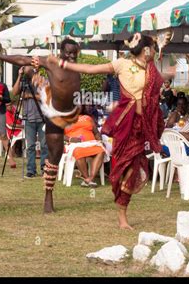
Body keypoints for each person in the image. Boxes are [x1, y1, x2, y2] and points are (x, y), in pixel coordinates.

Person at [61, 33, 166, 229]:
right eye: (151, 48)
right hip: (124, 125)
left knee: (135, 169)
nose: (152, 51)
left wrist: (161, 52)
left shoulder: (152, 71)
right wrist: (66, 65)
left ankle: (123, 212)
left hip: (140, 128)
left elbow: (159, 87)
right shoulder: (121, 64)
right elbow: (91, 69)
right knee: (121, 167)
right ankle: (122, 214)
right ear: (145, 50)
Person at [0, 39, 82, 214]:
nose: (71, 56)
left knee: (56, 153)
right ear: (60, 52)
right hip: (54, 115)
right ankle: (48, 196)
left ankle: (34, 78)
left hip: (71, 113)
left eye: (74, 53)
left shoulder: (77, 67)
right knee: (55, 155)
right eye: (68, 53)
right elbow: (23, 59)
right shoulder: (51, 62)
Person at [12, 66, 48, 178]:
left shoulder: (42, 80)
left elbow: (47, 97)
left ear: (35, 70)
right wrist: (19, 76)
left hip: (42, 117)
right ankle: (31, 170)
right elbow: (14, 92)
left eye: (29, 71)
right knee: (30, 146)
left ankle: (44, 169)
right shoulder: (24, 82)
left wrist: (30, 96)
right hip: (28, 118)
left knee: (44, 145)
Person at [64, 105, 106, 187]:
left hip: (91, 143)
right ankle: (87, 178)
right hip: (74, 144)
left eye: (79, 106)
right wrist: (70, 139)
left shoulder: (87, 118)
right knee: (78, 151)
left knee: (101, 150)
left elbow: (96, 132)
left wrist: (100, 140)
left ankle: (90, 179)